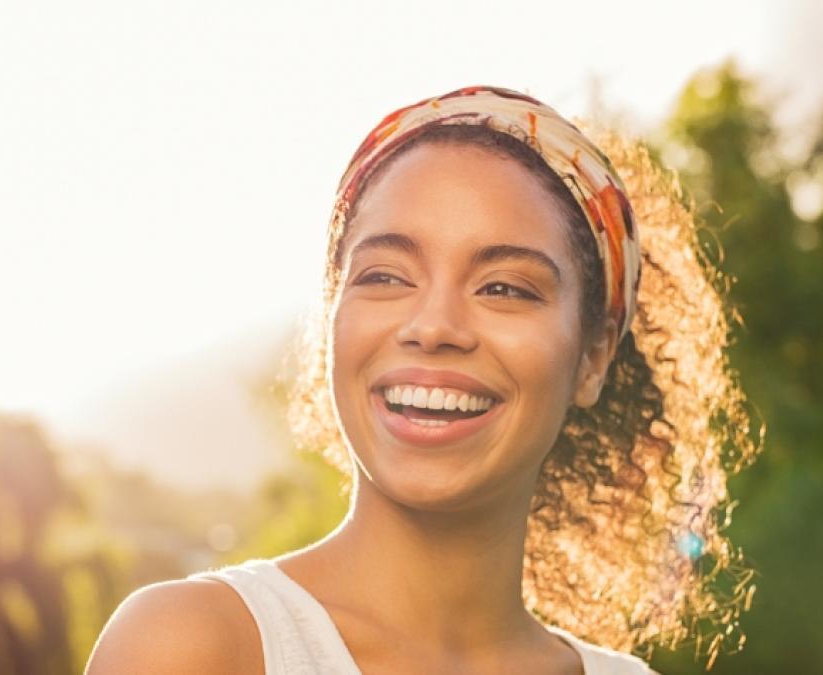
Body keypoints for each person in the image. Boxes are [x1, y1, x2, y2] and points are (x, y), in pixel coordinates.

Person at [85, 86, 760, 674]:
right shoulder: (194, 649)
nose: (434, 325)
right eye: (385, 276)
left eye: (503, 287)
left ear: (593, 358)